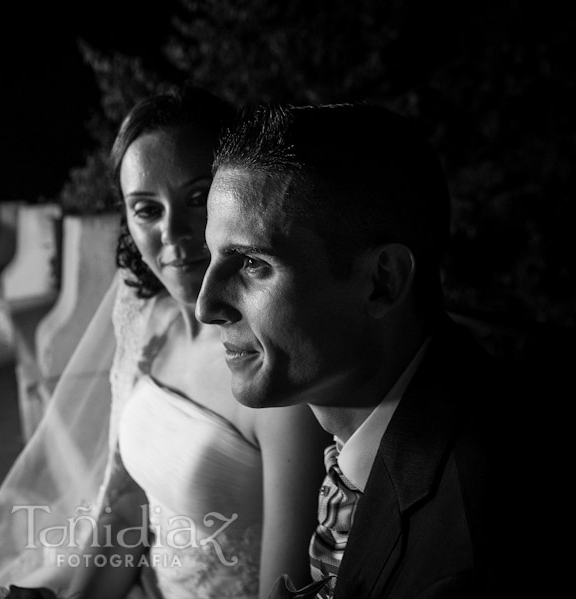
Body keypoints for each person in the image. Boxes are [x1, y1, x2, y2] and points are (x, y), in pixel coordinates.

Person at [0, 87, 329, 599]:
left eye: (198, 199)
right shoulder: (151, 326)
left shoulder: (276, 372)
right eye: (146, 210)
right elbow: (126, 506)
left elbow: (285, 590)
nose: (173, 232)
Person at [196, 102, 520, 599]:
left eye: (252, 263)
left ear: (382, 283)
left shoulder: (463, 557)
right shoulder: (385, 425)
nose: (206, 306)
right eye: (213, 257)